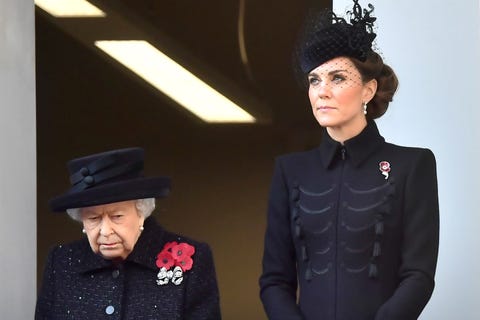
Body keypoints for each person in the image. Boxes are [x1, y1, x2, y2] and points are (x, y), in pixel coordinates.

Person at [259, 1, 439, 319]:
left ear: (368, 90)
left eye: (338, 78)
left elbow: (418, 275)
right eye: (315, 80)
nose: (322, 91)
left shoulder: (413, 165)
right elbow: (275, 280)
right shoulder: (290, 171)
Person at [35, 147, 221, 319]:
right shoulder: (61, 261)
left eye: (117, 216)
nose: (106, 231)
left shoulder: (193, 258)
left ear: (142, 212)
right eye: (93, 218)